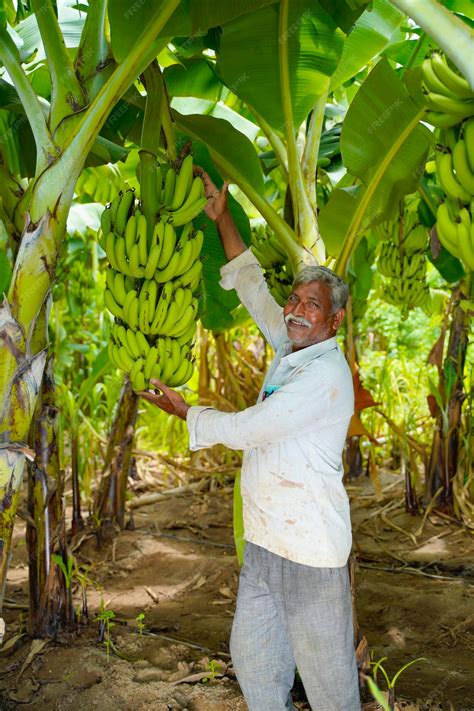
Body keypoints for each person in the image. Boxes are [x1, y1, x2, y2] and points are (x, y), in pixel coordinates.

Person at [140, 171, 361, 711]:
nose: (296, 309)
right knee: (256, 661)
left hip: (310, 552)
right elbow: (252, 286)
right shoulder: (290, 347)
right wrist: (223, 219)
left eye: (312, 304)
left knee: (330, 683)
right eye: (296, 299)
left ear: (335, 319)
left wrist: (188, 411)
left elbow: (250, 429)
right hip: (265, 544)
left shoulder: (326, 377)